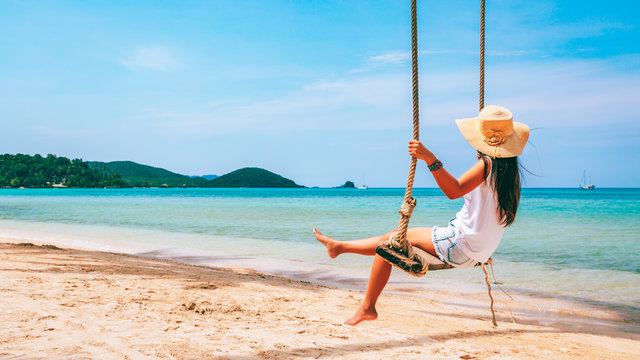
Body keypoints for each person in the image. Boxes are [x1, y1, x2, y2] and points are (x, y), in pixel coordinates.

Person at [314, 105, 530, 326]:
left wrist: (430, 159)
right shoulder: (510, 174)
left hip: (459, 245)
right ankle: (339, 247)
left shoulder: (487, 164)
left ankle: (367, 307)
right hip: (478, 252)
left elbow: (453, 190)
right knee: (393, 237)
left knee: (389, 245)